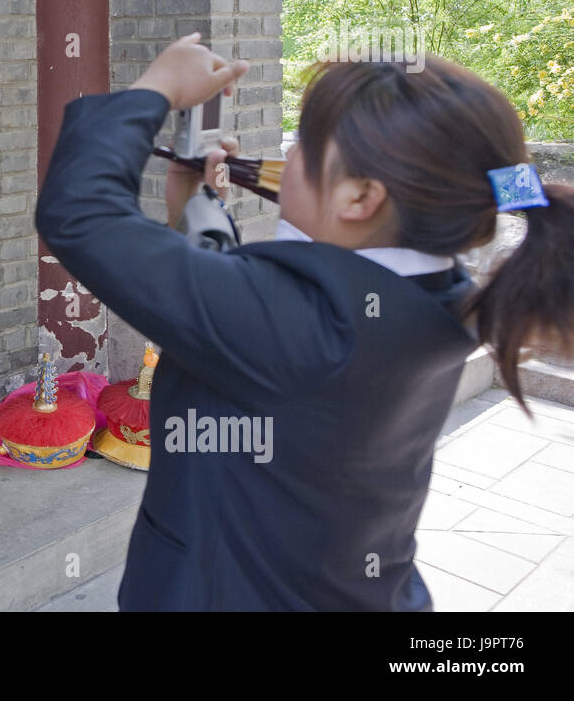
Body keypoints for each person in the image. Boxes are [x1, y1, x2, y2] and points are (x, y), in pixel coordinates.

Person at [36, 33, 574, 610]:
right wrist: (196, 211)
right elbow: (245, 328)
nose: (284, 157)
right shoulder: (445, 296)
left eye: (302, 149)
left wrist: (156, 88)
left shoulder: (297, 324)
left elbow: (80, 214)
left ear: (360, 197)